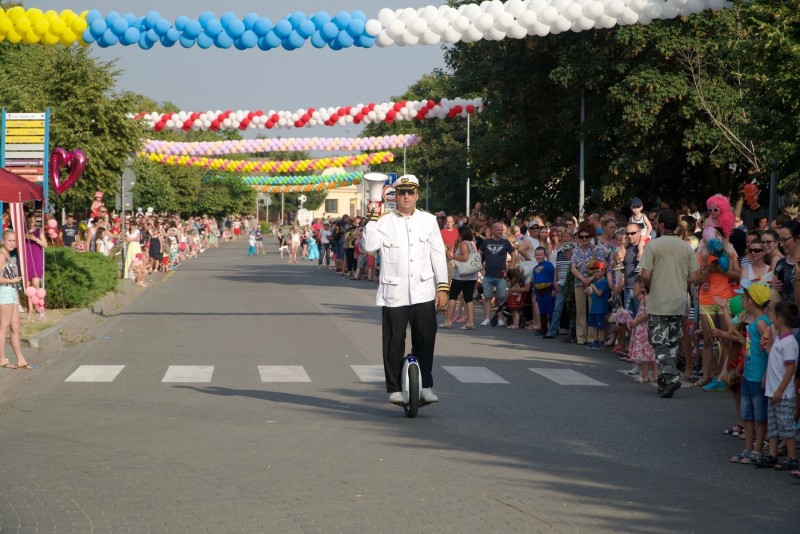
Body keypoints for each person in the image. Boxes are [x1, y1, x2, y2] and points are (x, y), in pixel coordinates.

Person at [362, 174, 448, 405]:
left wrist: (443, 287)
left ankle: (426, 386)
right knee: (393, 339)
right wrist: (371, 218)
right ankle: (394, 388)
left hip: (423, 289)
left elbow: (438, 254)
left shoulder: (428, 221)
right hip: (394, 291)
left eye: (411, 192)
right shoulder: (383, 221)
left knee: (426, 338)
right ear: (395, 196)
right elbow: (369, 247)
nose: (407, 196)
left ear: (417, 195)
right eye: (402, 192)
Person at [639, 208, 701, 398]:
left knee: (657, 340)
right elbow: (693, 276)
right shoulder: (685, 247)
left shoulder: (653, 245)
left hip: (660, 300)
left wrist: (648, 284)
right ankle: (665, 384)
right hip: (679, 300)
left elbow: (645, 274)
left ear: (661, 224)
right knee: (673, 342)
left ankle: (671, 375)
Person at [726, 282, 771, 464]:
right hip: (749, 374)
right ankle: (748, 448)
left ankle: (757, 450)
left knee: (759, 416)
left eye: (744, 298)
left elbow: (770, 350)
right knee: (748, 415)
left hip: (758, 376)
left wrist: (767, 374)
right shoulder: (754, 322)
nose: (741, 300)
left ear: (751, 301)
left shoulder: (762, 323)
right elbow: (752, 347)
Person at [755, 301, 798, 471]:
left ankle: (792, 457)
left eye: (773, 315)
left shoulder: (789, 343)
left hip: (783, 393)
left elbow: (790, 367)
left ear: (780, 320)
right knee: (773, 424)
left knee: (786, 424)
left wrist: (780, 389)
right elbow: (775, 362)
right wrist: (767, 348)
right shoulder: (780, 340)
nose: (771, 319)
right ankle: (772, 455)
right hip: (773, 390)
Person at [0, 229, 33, 370]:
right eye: (9, 240)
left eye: (14, 240)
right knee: (4, 326)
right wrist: (11, 280)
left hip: (12, 292)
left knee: (16, 327)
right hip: (5, 291)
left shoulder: (10, 254)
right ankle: (2, 358)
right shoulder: (1, 255)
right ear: (3, 241)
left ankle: (20, 359)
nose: (12, 243)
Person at [440, 225, 479, 330]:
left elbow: (465, 257)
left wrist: (453, 257)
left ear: (462, 234)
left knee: (452, 296)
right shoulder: (472, 243)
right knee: (468, 298)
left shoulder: (463, 244)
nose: (458, 235)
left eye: (459, 233)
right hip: (472, 275)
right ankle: (470, 322)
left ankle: (448, 320)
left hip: (461, 275)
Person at [479, 222, 517, 327]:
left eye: (502, 229)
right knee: (487, 297)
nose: (501, 231)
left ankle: (501, 319)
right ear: (492, 230)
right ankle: (486, 318)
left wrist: (511, 267)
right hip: (487, 274)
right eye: (498, 229)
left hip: (501, 275)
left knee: (501, 297)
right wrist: (480, 267)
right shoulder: (486, 242)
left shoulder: (506, 242)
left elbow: (513, 254)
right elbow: (479, 254)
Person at [22, 213, 47, 317]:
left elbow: (45, 245)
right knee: (27, 286)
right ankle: (30, 310)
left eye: (32, 222)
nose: (30, 224)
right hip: (26, 259)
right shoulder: (22, 231)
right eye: (28, 222)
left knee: (35, 283)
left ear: (35, 221)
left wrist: (36, 239)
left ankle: (40, 306)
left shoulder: (38, 231)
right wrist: (23, 237)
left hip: (36, 259)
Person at [586, 260, 610, 349]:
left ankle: (601, 341)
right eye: (594, 272)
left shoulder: (604, 281)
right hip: (594, 308)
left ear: (603, 271)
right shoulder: (595, 282)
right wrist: (588, 291)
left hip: (601, 308)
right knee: (594, 325)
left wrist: (593, 287)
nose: (596, 274)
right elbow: (593, 294)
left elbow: (600, 293)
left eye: (598, 271)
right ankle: (595, 340)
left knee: (601, 326)